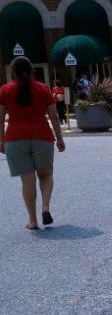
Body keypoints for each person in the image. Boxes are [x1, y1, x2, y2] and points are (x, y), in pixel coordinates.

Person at [0, 57, 66, 230]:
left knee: (27, 180)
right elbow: (54, 117)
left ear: (12, 71)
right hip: (42, 136)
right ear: (32, 70)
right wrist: (59, 139)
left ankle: (33, 221)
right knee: (46, 174)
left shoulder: (5, 90)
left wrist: (1, 140)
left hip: (15, 138)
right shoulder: (43, 88)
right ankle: (45, 208)